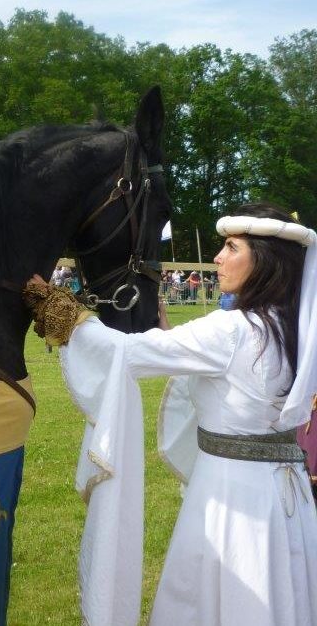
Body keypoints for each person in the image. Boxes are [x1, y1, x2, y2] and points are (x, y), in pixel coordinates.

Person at [25, 203, 317, 624]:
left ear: (265, 261)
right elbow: (237, 385)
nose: (218, 258)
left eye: (231, 247)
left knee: (230, 594)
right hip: (288, 496)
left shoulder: (232, 329)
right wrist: (173, 340)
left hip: (233, 500)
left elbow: (122, 354)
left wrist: (59, 308)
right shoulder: (294, 329)